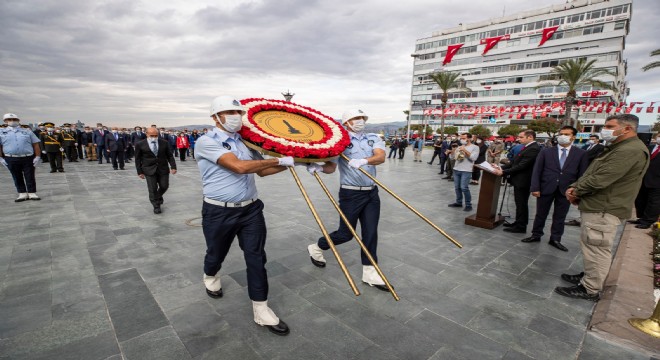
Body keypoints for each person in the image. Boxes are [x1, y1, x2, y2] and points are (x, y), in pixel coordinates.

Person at [195, 95, 294, 336]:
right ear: (215, 117)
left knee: (256, 257)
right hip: (219, 211)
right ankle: (211, 273)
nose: (236, 117)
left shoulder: (246, 143)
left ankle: (261, 308)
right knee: (216, 252)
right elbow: (238, 167)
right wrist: (280, 159)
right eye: (230, 112)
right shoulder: (206, 141)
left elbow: (264, 171)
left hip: (250, 209)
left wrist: (297, 163)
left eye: (239, 113)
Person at [557, 114, 649, 301]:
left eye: (609, 126)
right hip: (599, 204)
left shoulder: (629, 150)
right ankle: (590, 276)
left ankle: (590, 288)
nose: (604, 129)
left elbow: (601, 178)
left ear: (627, 129)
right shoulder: (620, 147)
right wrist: (576, 188)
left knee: (597, 248)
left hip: (605, 207)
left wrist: (576, 190)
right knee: (592, 246)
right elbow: (594, 172)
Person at [307, 109, 389, 291]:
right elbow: (331, 167)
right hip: (350, 194)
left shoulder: (373, 138)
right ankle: (317, 247)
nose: (360, 120)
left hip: (371, 193)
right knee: (346, 234)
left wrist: (364, 161)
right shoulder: (340, 142)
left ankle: (370, 272)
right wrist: (319, 168)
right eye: (356, 118)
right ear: (346, 123)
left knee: (370, 233)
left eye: (362, 117)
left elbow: (380, 157)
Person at [524, 126, 588, 251]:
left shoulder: (581, 154)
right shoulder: (546, 152)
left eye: (566, 134)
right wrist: (535, 188)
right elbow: (537, 170)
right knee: (540, 213)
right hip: (546, 187)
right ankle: (536, 234)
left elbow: (582, 174)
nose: (562, 136)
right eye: (561, 134)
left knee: (560, 216)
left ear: (573, 137)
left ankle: (555, 238)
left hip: (566, 190)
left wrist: (576, 191)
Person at [493, 130, 540, 233]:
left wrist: (503, 172)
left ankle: (521, 226)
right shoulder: (527, 147)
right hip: (519, 180)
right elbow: (515, 162)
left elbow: (522, 165)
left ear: (530, 137)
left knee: (521, 204)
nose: (519, 139)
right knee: (519, 204)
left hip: (523, 181)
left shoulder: (534, 149)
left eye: (521, 137)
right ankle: (519, 222)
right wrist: (500, 167)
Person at [0, 113, 42, 201]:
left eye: (14, 120)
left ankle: (31, 192)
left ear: (18, 121)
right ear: (5, 121)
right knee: (16, 175)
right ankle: (22, 193)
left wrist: (37, 156)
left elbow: (35, 144)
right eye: (10, 120)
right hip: (11, 157)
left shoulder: (27, 131)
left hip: (27, 157)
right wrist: (1, 158)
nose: (12, 121)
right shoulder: (1, 132)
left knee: (30, 175)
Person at [134, 128, 177, 214]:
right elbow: (137, 159)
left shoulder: (164, 143)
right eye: (152, 136)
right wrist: (139, 172)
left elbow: (170, 155)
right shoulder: (140, 144)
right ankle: (156, 205)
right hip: (148, 169)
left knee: (164, 186)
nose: (154, 137)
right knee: (152, 188)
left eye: (156, 135)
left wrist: (173, 167)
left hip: (163, 168)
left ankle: (158, 196)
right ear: (146, 134)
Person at [630, 133, 660, 229]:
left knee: (653, 202)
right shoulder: (649, 147)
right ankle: (641, 217)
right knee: (641, 199)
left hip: (657, 181)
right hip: (644, 178)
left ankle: (648, 221)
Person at [447, 133, 479, 211]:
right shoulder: (459, 147)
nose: (462, 140)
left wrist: (465, 150)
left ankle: (468, 204)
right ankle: (459, 202)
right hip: (457, 169)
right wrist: (451, 152)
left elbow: (473, 158)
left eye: (463, 138)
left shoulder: (475, 147)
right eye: (461, 138)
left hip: (466, 170)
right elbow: (453, 158)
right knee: (457, 188)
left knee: (464, 187)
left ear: (469, 139)